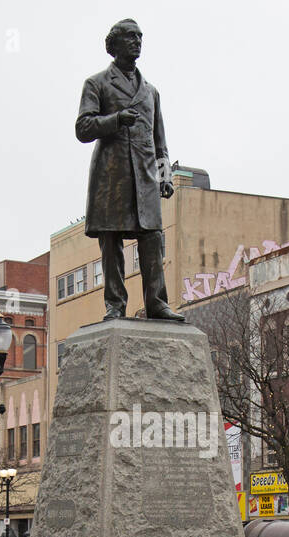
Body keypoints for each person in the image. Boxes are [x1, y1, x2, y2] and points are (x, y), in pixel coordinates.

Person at [75, 18, 185, 321]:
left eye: (140, 37)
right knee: (111, 240)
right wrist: (115, 120)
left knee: (152, 238)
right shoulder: (96, 83)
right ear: (115, 44)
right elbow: (83, 128)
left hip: (146, 175)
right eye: (130, 37)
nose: (137, 42)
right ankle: (114, 304)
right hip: (112, 175)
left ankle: (157, 303)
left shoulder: (151, 92)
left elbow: (159, 139)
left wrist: (164, 174)